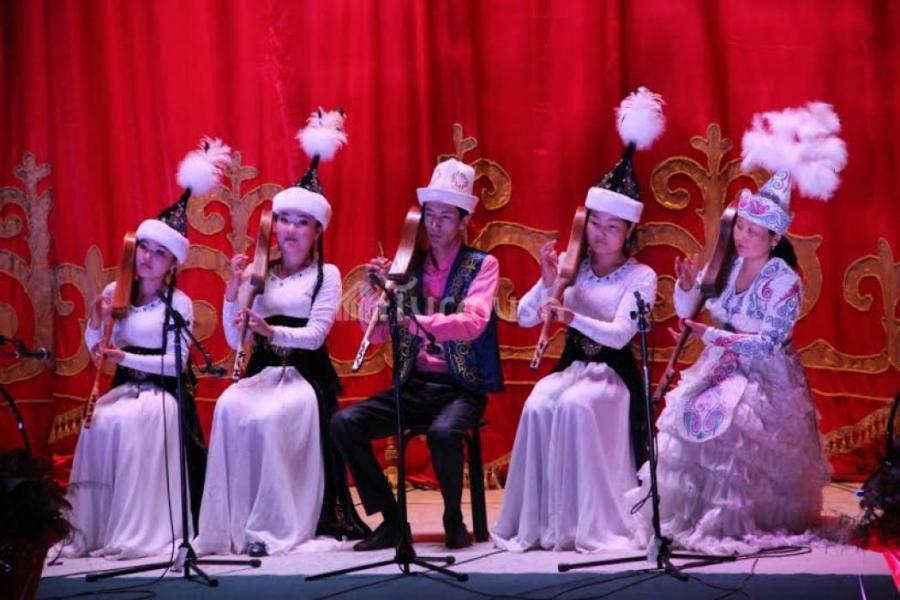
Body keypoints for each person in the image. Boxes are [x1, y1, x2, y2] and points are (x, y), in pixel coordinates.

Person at [630, 102, 845, 554]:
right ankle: (688, 517)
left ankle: (734, 521)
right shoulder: (726, 266)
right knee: (685, 419)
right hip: (719, 363)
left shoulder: (784, 281)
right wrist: (687, 286)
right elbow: (695, 310)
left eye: (754, 231)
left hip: (763, 375)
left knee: (734, 428)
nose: (743, 237)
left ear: (775, 238)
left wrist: (711, 335)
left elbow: (767, 344)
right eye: (741, 227)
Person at [493, 88, 662, 553]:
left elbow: (621, 335)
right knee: (537, 405)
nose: (601, 234)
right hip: (571, 368)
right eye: (596, 223)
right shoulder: (575, 267)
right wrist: (548, 282)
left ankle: (593, 524)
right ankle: (544, 525)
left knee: (575, 407)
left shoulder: (642, 276)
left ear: (629, 232)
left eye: (612, 227)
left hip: (613, 376)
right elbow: (525, 318)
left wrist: (572, 315)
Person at [194, 109, 368, 558]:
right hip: (262, 372)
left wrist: (269, 329)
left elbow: (315, 336)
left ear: (317, 231)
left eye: (301, 222)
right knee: (229, 406)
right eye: (284, 220)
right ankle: (232, 522)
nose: (290, 230)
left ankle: (274, 524)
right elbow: (235, 341)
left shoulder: (326, 274)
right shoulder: (260, 272)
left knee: (272, 419)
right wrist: (232, 294)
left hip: (304, 377)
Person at [59, 139, 227, 559]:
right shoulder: (116, 291)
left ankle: (137, 532)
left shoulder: (179, 304)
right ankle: (94, 529)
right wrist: (96, 323)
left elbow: (177, 362)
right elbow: (97, 352)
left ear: (173, 264)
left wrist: (127, 357)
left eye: (160, 254)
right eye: (145, 249)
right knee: (100, 423)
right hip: (123, 388)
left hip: (163, 393)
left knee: (138, 423)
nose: (148, 259)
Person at [331, 157, 504, 551]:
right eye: (430, 215)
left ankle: (452, 518)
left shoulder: (482, 265)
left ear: (463, 222)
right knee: (344, 423)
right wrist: (374, 293)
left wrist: (415, 321)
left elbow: (473, 321)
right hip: (414, 384)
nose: (435, 224)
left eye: (446, 216)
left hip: (461, 387)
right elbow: (377, 336)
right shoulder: (409, 267)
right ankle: (393, 521)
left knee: (443, 433)